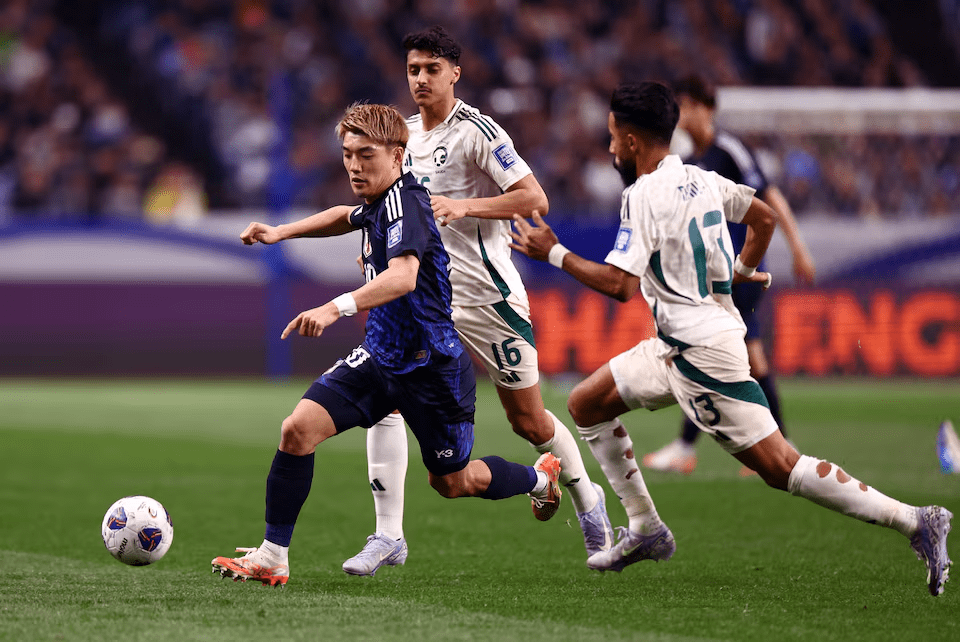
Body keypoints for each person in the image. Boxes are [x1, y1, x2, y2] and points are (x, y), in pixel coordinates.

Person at [509, 81, 953, 596]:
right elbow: (763, 217)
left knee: (781, 466)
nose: (609, 150)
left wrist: (554, 253)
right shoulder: (703, 179)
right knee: (587, 403)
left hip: (701, 357)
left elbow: (621, 285)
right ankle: (646, 528)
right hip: (674, 345)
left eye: (612, 138)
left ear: (631, 141)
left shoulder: (641, 195)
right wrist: (741, 269)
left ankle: (916, 520)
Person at [211, 103, 562, 587]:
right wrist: (281, 231)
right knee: (297, 430)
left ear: (398, 155)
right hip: (380, 358)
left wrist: (334, 308)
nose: (354, 165)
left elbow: (403, 277)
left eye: (366, 154)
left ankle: (539, 478)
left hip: (432, 371)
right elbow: (344, 216)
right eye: (348, 154)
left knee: (452, 482)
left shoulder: (410, 202)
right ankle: (273, 554)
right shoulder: (380, 198)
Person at [337, 25, 612, 576]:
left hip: (488, 300)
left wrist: (466, 207)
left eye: (431, 69)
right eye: (413, 69)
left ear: (454, 73)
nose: (420, 79)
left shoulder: (478, 132)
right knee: (384, 394)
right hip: (425, 302)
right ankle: (387, 534)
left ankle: (590, 506)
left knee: (530, 424)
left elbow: (535, 197)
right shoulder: (400, 137)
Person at [642, 75, 816, 476]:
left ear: (705, 108)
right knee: (739, 357)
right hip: (714, 275)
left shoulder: (728, 150)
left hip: (743, 270)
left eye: (686, 106)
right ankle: (773, 442)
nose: (681, 115)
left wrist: (798, 249)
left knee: (713, 352)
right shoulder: (690, 159)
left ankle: (697, 446)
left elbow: (769, 200)